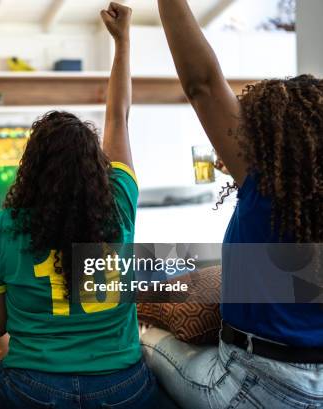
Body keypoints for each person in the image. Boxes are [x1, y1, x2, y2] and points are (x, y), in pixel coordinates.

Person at [140, 1, 323, 408]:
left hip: (248, 386)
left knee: (147, 338)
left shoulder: (264, 187)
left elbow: (201, 84)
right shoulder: (293, 197)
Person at [0, 4, 158, 409]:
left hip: (32, 389)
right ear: (98, 169)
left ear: (32, 170)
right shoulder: (121, 207)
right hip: (123, 389)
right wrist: (122, 40)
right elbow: (119, 117)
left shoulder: (3, 227)